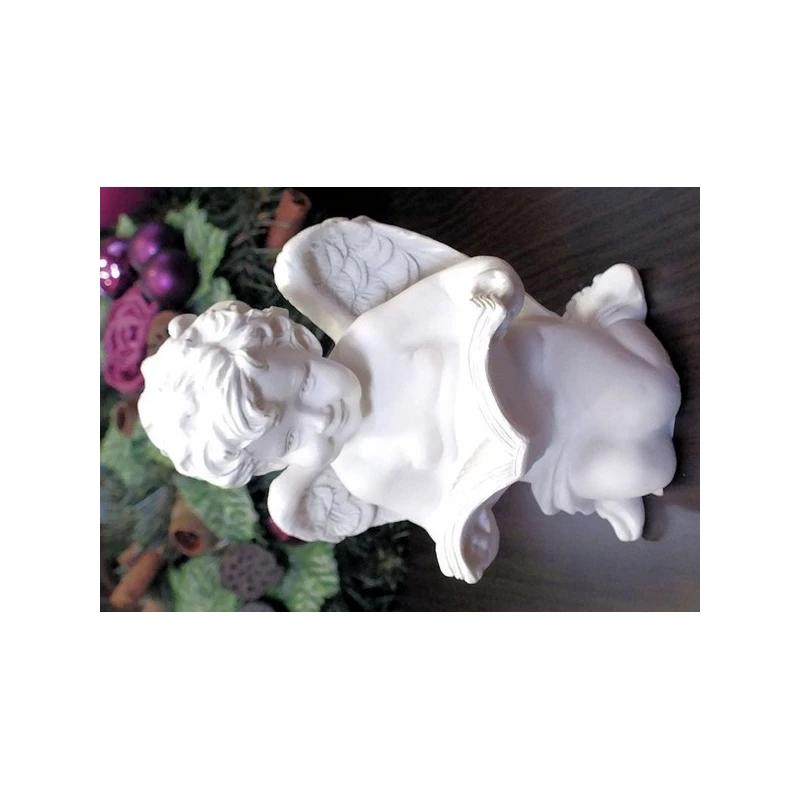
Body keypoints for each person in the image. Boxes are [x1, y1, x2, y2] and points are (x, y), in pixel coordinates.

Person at [139, 222, 680, 583]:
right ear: (275, 464)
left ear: (296, 342)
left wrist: (486, 291)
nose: (320, 418)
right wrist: (459, 538)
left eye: (303, 385)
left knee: (653, 400)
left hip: (548, 367)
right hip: (549, 452)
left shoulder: (374, 338)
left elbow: (453, 288)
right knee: (649, 468)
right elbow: (438, 511)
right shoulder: (364, 473)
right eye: (292, 439)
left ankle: (601, 319)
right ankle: (601, 489)